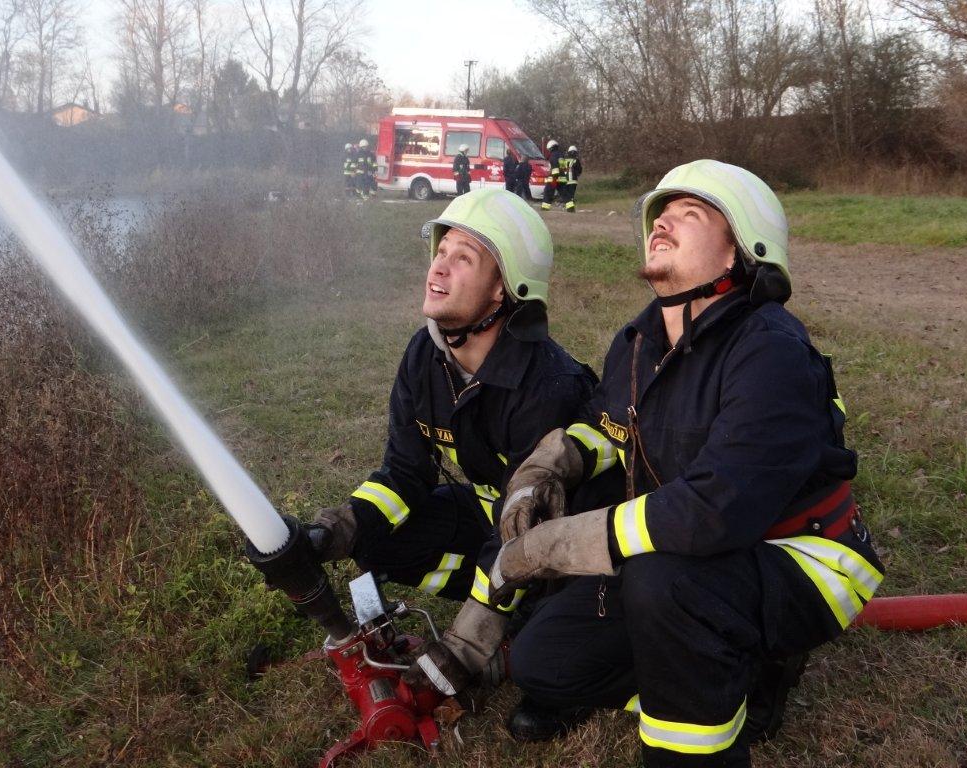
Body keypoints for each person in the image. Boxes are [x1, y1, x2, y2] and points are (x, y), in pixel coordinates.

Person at [486, 159, 885, 766]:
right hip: (685, 552)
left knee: (664, 581)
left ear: (738, 252)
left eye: (689, 214)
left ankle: (726, 701)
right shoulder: (638, 340)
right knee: (544, 663)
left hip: (799, 555)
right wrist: (556, 462)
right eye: (660, 215)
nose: (662, 224)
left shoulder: (770, 348)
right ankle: (727, 674)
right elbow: (609, 425)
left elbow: (717, 507)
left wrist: (566, 543)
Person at [307, 188, 599, 698]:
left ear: (502, 289)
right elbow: (405, 473)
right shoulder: (425, 355)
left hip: (558, 543)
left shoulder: (547, 386)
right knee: (375, 540)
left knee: (545, 635)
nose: (437, 268)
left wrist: (467, 641)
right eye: (440, 251)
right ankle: (501, 598)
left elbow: (526, 533)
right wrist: (341, 528)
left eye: (463, 258)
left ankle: (524, 614)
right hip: (493, 513)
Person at [558, 145, 582, 212]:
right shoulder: (576, 160)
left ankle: (563, 204)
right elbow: (579, 170)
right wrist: (577, 174)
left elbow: (561, 170)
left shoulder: (564, 160)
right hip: (573, 181)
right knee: (571, 195)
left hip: (564, 181)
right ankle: (570, 207)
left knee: (566, 194)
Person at [540, 139, 562, 211]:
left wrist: (553, 177)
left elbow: (554, 168)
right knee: (564, 192)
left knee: (548, 191)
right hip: (562, 177)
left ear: (551, 148)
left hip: (554, 177)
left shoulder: (553, 156)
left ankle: (545, 207)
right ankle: (570, 207)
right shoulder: (561, 155)